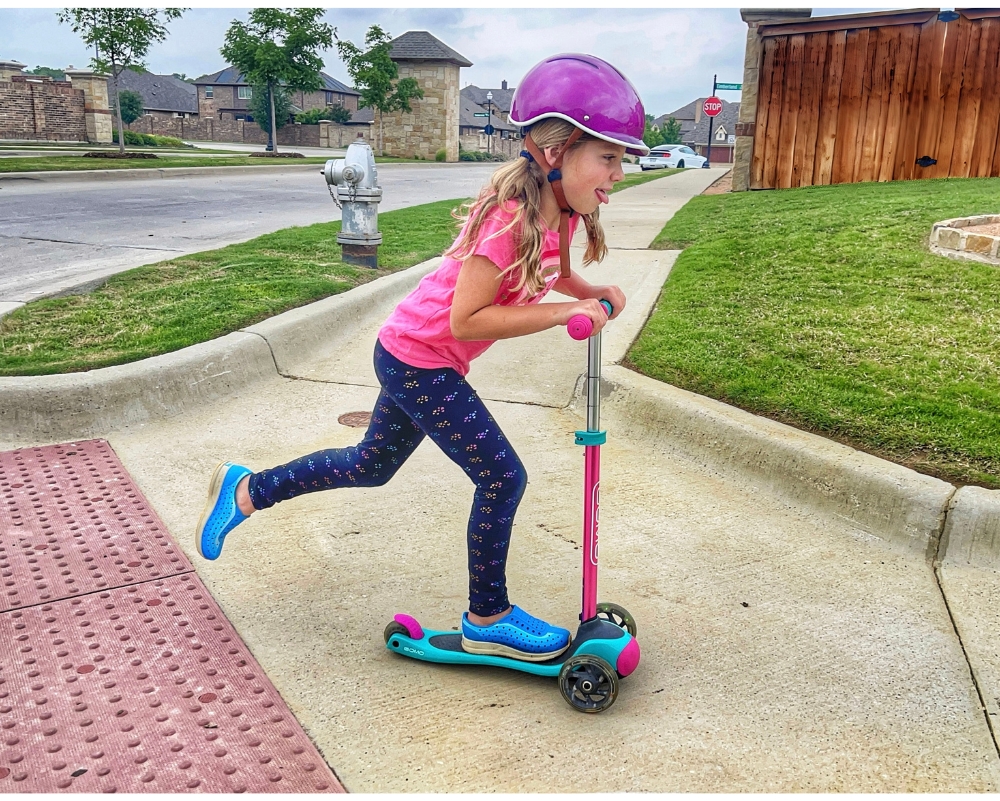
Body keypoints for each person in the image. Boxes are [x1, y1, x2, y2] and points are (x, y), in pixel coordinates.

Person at [195, 53, 649, 663]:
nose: (617, 173)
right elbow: (468, 319)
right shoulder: (507, 221)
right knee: (502, 476)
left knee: (371, 465)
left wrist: (587, 293)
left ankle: (247, 489)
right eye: (609, 157)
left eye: (621, 159)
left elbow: (551, 269)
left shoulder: (557, 214)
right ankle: (487, 616)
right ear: (553, 153)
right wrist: (557, 316)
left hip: (424, 358)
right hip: (417, 360)